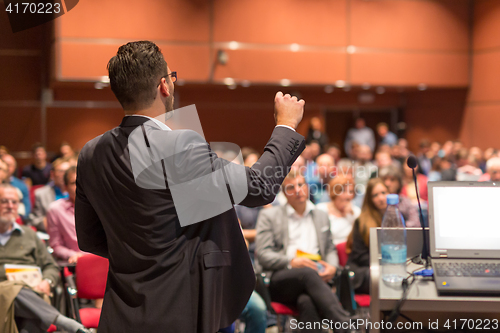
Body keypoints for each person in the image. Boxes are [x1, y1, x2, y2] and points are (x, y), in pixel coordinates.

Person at [74, 41, 306, 333]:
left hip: (121, 312)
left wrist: (140, 253)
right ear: (164, 86)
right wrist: (285, 126)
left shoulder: (91, 152)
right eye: (172, 76)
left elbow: (90, 238)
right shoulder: (179, 143)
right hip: (181, 308)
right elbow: (259, 187)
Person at [255, 171, 358, 333]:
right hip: (281, 278)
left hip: (316, 280)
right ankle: (344, 325)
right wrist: (291, 261)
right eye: (291, 187)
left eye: (301, 185)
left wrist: (332, 266)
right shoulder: (270, 215)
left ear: (307, 187)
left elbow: (330, 248)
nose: (297, 190)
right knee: (307, 273)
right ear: (284, 193)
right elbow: (262, 254)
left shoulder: (320, 215)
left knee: (306, 301)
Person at [0, 184, 90, 333]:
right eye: (4, 201)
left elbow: (51, 266)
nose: (10, 206)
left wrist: (47, 282)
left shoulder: (29, 234)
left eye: (14, 202)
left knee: (28, 309)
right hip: (2, 290)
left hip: (32, 291)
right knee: (13, 292)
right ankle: (63, 322)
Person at [346, 178, 389, 294]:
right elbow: (360, 256)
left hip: (384, 267)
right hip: (363, 270)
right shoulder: (362, 222)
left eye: (383, 193)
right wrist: (386, 262)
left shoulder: (395, 218)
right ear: (369, 199)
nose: (381, 198)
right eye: (375, 195)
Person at [46, 167, 84, 263]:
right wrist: (74, 255)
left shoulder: (100, 206)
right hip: (75, 261)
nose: (80, 186)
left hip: (102, 259)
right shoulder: (55, 210)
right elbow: (56, 246)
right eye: (74, 183)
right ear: (65, 187)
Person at [29, 158, 71, 231]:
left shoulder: (78, 193)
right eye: (61, 171)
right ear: (52, 174)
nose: (64, 175)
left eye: (67, 172)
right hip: (50, 233)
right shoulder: (41, 194)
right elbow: (34, 219)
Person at [316, 175, 360, 245]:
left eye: (351, 191)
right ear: (334, 192)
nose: (348, 195)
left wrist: (351, 217)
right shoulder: (321, 209)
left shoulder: (356, 212)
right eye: (343, 191)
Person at [1, 154, 30, 221]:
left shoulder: (22, 186)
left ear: (14, 167)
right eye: (4, 164)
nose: (6, 168)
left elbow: (27, 209)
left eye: (9, 165)